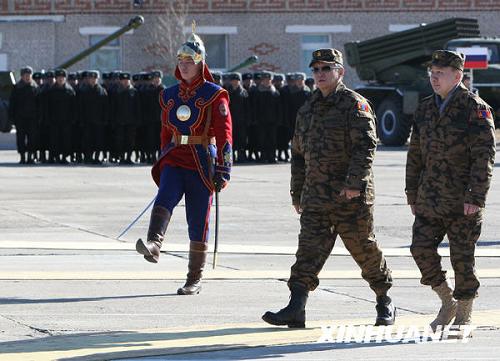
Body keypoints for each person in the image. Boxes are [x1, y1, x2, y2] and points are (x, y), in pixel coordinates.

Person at [262, 48, 395, 328]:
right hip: (315, 197)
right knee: (307, 252)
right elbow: (297, 155)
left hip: (351, 198)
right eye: (316, 69)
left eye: (326, 69)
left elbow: (366, 147)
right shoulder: (308, 108)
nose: (320, 74)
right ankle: (296, 306)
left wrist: (353, 185)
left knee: (364, 250)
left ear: (340, 72)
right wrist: (297, 193)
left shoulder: (354, 104)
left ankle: (384, 301)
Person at [135, 25, 233, 295]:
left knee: (197, 217)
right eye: (181, 61)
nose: (185, 66)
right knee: (165, 196)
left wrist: (224, 169)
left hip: (202, 160)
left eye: (190, 61)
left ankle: (194, 277)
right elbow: (165, 132)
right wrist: (164, 154)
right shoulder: (168, 95)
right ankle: (154, 244)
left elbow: (225, 135)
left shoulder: (215, 94)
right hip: (175, 157)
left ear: (200, 63)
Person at [406, 50, 496, 335]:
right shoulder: (425, 108)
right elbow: (415, 154)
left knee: (462, 258)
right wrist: (411, 191)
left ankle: (464, 312)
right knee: (420, 248)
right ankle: (447, 301)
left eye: (440, 73)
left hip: (462, 200)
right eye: (432, 72)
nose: (434, 77)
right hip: (429, 198)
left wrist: (475, 197)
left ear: (457, 76)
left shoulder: (475, 108)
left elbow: (484, 156)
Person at [8, 66, 39, 164]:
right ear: (21, 76)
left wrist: (39, 116)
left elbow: (39, 104)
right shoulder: (17, 88)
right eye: (25, 75)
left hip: (32, 118)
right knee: (20, 138)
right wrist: (12, 118)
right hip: (20, 118)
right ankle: (22, 156)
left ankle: (30, 156)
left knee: (32, 138)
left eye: (29, 75)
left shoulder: (35, 87)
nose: (27, 77)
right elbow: (12, 103)